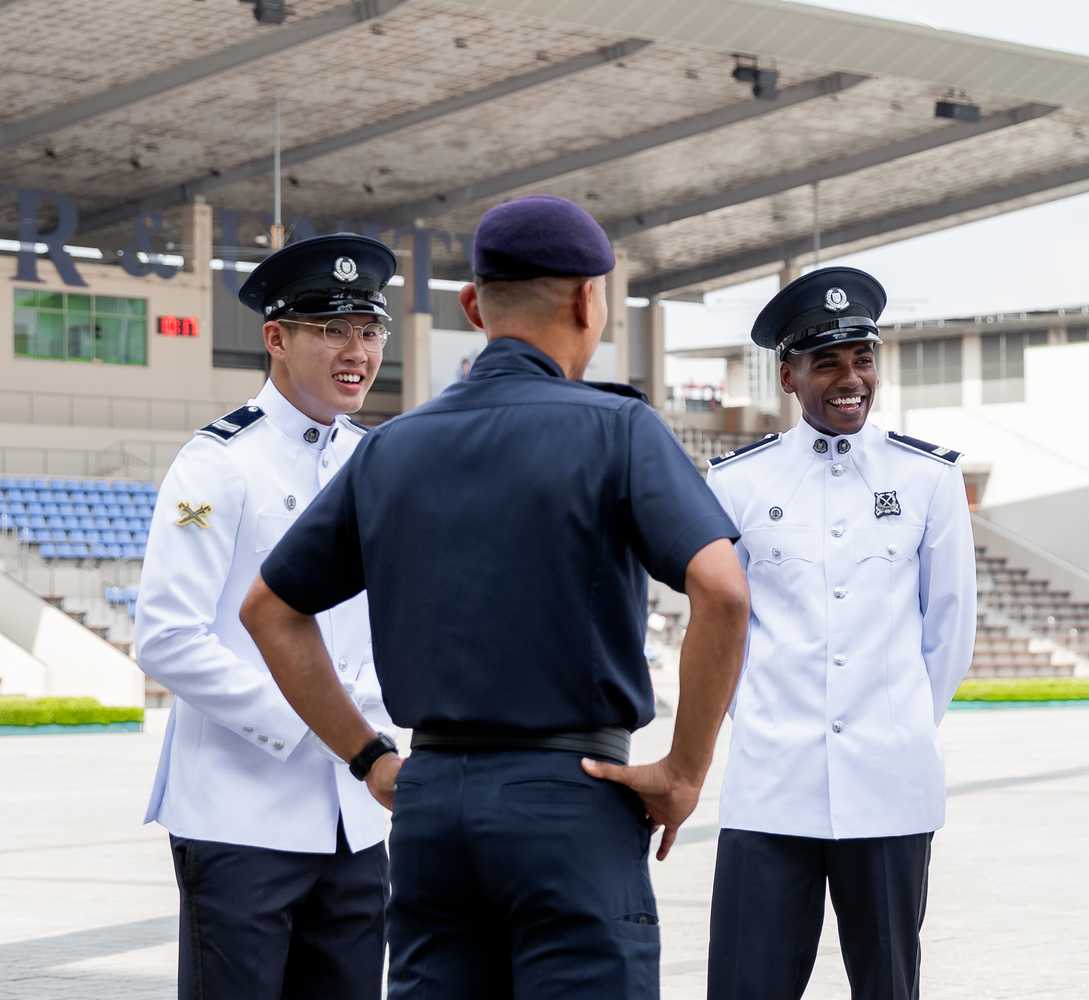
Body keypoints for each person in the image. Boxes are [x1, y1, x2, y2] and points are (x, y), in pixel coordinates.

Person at [238, 194, 750, 999]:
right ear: (591, 300)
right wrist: (684, 772)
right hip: (572, 800)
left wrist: (370, 757)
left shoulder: (393, 447)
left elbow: (268, 610)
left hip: (434, 806)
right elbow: (721, 591)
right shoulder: (617, 430)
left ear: (474, 307)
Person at [134, 233, 401, 1000]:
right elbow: (167, 636)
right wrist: (323, 727)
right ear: (277, 338)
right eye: (332, 330)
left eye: (370, 329)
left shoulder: (375, 460)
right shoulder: (219, 463)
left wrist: (379, 734)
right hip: (240, 814)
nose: (357, 350)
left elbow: (387, 621)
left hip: (357, 817)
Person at [703, 266, 977, 1000]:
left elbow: (948, 632)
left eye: (862, 358)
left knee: (888, 986)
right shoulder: (738, 483)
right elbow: (722, 631)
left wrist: (897, 727)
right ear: (789, 376)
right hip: (772, 786)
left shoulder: (928, 480)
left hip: (889, 786)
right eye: (826, 362)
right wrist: (765, 724)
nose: (850, 378)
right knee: (744, 986)